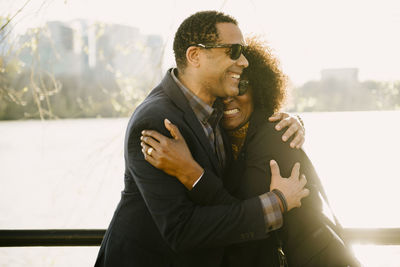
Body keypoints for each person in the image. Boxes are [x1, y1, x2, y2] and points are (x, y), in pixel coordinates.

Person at [94, 11, 309, 267]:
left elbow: (224, 192)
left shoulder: (216, 110)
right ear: (195, 56)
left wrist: (293, 122)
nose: (243, 61)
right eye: (234, 50)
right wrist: (277, 203)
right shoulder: (157, 122)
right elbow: (181, 229)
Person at [140, 37, 360, 266]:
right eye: (222, 87)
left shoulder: (275, 136)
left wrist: (191, 173)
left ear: (260, 88)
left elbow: (239, 218)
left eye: (241, 86)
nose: (229, 97)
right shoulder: (219, 140)